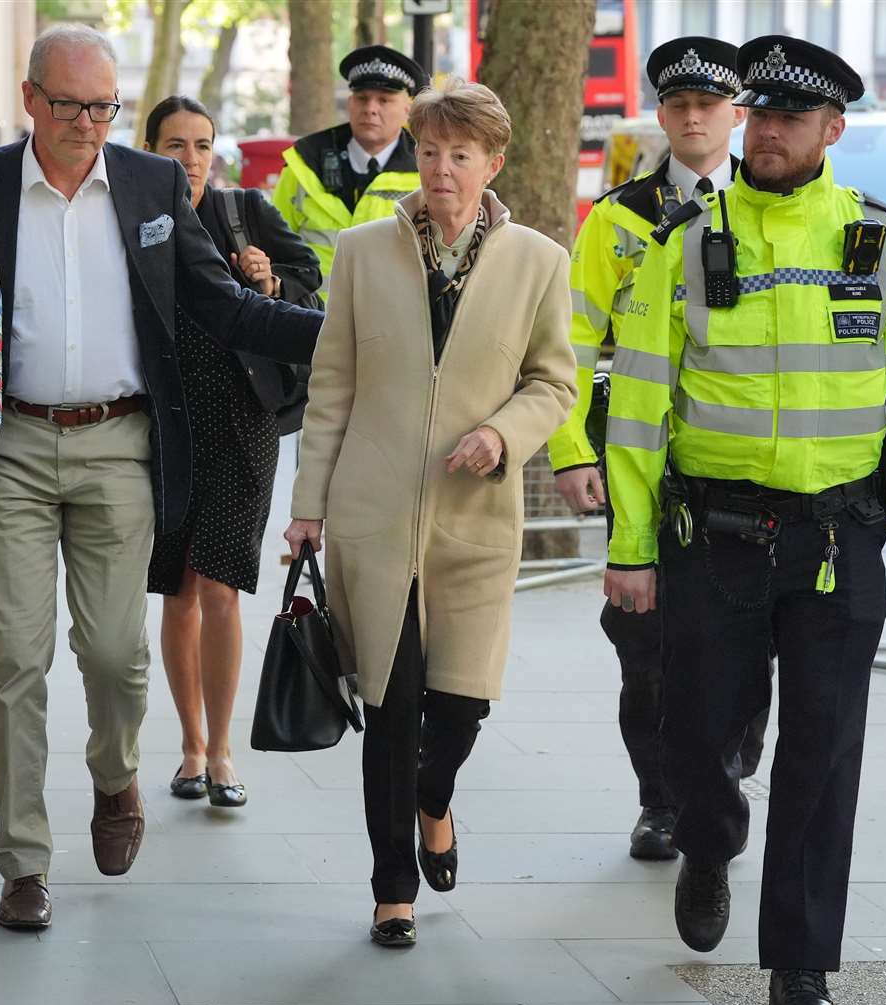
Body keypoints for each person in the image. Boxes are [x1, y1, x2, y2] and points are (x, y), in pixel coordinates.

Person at [0, 25, 324, 932]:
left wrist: (337, 331)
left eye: (103, 106)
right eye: (70, 104)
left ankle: (115, 777)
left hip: (120, 443)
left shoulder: (154, 185)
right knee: (15, 654)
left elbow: (217, 301)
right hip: (8, 446)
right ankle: (24, 860)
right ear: (30, 97)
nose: (88, 123)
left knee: (116, 655)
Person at [602, 35, 886, 1005]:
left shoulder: (881, 245)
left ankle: (798, 967)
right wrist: (629, 549)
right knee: (695, 729)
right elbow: (636, 408)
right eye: (755, 117)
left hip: (837, 543)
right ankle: (710, 839)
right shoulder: (683, 241)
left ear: (830, 132)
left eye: (786, 121)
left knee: (822, 752)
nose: (762, 134)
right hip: (710, 540)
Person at [284, 81, 575, 948]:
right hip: (372, 514)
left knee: (459, 707)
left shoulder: (538, 261)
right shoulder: (361, 252)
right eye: (429, 152)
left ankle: (434, 797)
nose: (440, 171)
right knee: (389, 701)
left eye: (459, 155)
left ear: (492, 163)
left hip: (473, 521)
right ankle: (391, 889)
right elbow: (330, 389)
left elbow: (554, 382)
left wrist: (502, 433)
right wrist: (307, 507)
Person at [546, 37, 769, 862]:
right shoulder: (619, 219)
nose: (691, 117)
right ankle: (662, 801)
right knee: (643, 648)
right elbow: (564, 343)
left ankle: (724, 777)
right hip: (642, 471)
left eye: (707, 105)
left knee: (747, 647)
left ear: (735, 114)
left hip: (745, 471)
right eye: (676, 105)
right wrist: (571, 452)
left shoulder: (769, 207)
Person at [141, 95, 322, 810]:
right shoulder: (133, 222)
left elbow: (309, 285)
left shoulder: (243, 211)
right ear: (147, 149)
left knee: (219, 585)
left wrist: (272, 281)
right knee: (179, 589)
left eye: (201, 145)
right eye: (174, 145)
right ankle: (188, 745)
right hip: (165, 424)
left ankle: (221, 752)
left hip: (244, 417)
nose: (189, 159)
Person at [271, 44, 425, 297]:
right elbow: (272, 242)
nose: (371, 108)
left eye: (384, 100)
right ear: (350, 103)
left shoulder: (425, 169)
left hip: (392, 323)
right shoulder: (305, 162)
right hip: (309, 322)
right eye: (362, 98)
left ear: (407, 109)